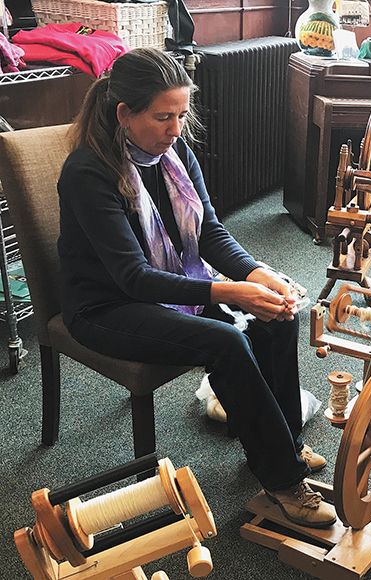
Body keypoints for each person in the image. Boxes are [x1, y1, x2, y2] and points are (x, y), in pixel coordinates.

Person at [58, 48, 336, 528]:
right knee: (227, 339)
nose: (176, 129)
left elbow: (207, 231)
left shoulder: (174, 152)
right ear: (124, 115)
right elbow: (133, 278)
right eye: (163, 117)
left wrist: (254, 274)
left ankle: (282, 442)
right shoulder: (88, 172)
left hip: (171, 288)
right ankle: (283, 480)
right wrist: (230, 293)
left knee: (278, 314)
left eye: (182, 115)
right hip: (105, 307)